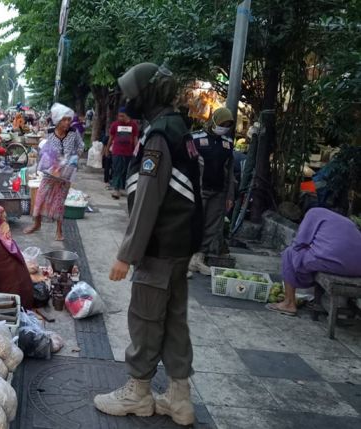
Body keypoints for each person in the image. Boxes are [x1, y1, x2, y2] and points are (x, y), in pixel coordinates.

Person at [93, 63, 202, 427]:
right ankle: (179, 397)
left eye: (132, 93)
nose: (127, 100)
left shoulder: (158, 136)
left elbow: (149, 201)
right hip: (180, 246)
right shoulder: (179, 128)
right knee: (173, 320)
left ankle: (138, 393)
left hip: (159, 247)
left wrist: (127, 254)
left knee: (144, 318)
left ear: (149, 94)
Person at [267, 208, 361, 316]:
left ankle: (289, 303)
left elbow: (299, 242)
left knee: (289, 253)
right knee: (313, 256)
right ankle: (319, 300)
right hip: (358, 267)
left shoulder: (313, 213)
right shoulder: (346, 221)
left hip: (335, 261)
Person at [23, 103, 83, 241]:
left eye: (69, 119)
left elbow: (80, 147)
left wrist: (74, 157)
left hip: (65, 174)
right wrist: (50, 160)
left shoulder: (74, 133)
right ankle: (36, 224)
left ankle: (59, 231)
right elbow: (45, 150)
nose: (67, 122)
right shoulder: (49, 132)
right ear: (57, 120)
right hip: (50, 173)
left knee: (59, 202)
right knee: (40, 197)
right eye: (64, 119)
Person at [187, 107, 236, 276]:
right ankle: (184, 260)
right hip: (199, 189)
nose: (225, 127)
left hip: (219, 191)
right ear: (214, 120)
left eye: (228, 125)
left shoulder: (228, 143)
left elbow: (230, 172)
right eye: (223, 123)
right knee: (193, 224)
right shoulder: (196, 138)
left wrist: (230, 195)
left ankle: (198, 259)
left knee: (212, 226)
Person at [107, 107, 140, 199]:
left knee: (125, 170)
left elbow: (135, 139)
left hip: (128, 152)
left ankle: (122, 188)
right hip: (117, 151)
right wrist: (106, 149)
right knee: (117, 169)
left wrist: (137, 151)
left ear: (127, 115)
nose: (120, 118)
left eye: (122, 116)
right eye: (119, 116)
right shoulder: (115, 124)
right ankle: (116, 189)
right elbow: (111, 137)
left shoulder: (133, 125)